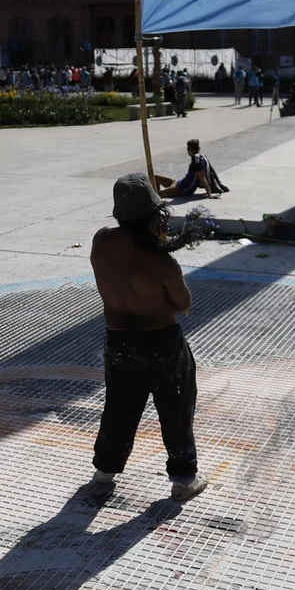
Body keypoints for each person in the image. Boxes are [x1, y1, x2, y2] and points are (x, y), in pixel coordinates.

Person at [89, 173, 207, 502]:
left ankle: (105, 469)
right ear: (154, 215)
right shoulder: (161, 262)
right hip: (161, 343)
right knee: (175, 408)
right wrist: (159, 246)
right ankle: (184, 478)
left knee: (118, 407)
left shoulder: (101, 242)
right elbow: (183, 304)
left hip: (119, 341)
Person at [160, 138, 229, 199]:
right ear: (199, 148)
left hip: (183, 189)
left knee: (157, 194)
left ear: (188, 149)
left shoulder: (197, 161)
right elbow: (212, 172)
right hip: (179, 183)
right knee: (155, 177)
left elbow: (202, 177)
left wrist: (209, 194)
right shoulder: (202, 156)